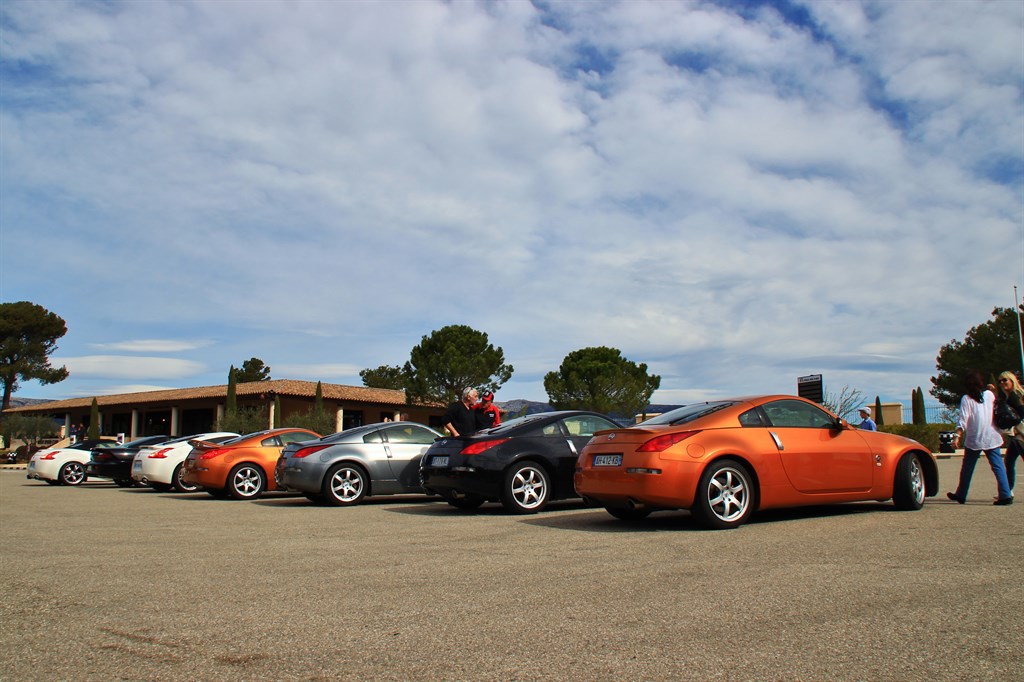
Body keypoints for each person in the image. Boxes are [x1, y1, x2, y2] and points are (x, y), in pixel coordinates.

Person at [947, 369, 1013, 505]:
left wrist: (957, 436)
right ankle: (1005, 494)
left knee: (967, 467)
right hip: (992, 435)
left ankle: (961, 494)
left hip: (975, 438)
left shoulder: (966, 399)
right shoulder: (989, 395)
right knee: (998, 466)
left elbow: (963, 419)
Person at [997, 371, 1024, 496]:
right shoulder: (1010, 396)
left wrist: (1012, 421)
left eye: (1005, 380)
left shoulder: (1015, 395)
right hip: (1016, 434)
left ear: (1012, 380)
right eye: (1000, 381)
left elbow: (1021, 413)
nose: (1002, 383)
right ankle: (1008, 490)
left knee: (1009, 461)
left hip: (1020, 435)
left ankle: (1007, 491)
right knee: (1009, 461)